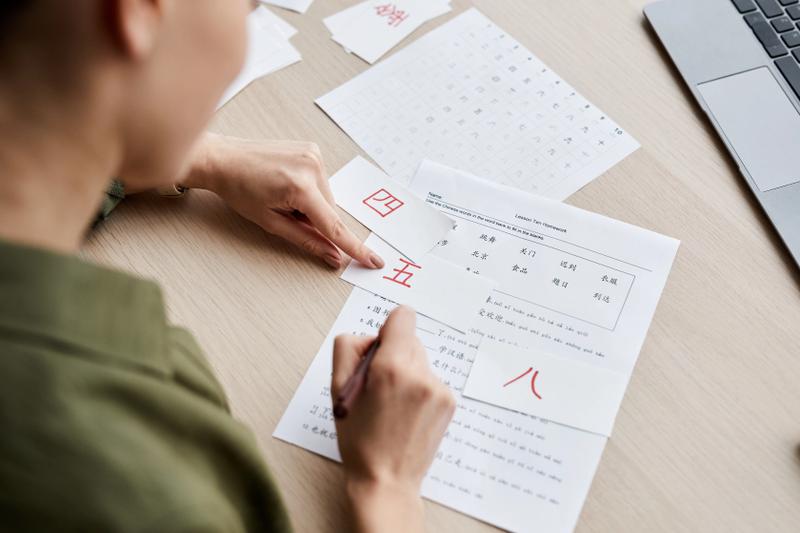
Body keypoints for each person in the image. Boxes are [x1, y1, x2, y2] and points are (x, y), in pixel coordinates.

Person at [0, 1, 456, 532]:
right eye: (248, 8)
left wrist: (177, 151)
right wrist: (387, 489)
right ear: (139, 13)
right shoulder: (132, 479)